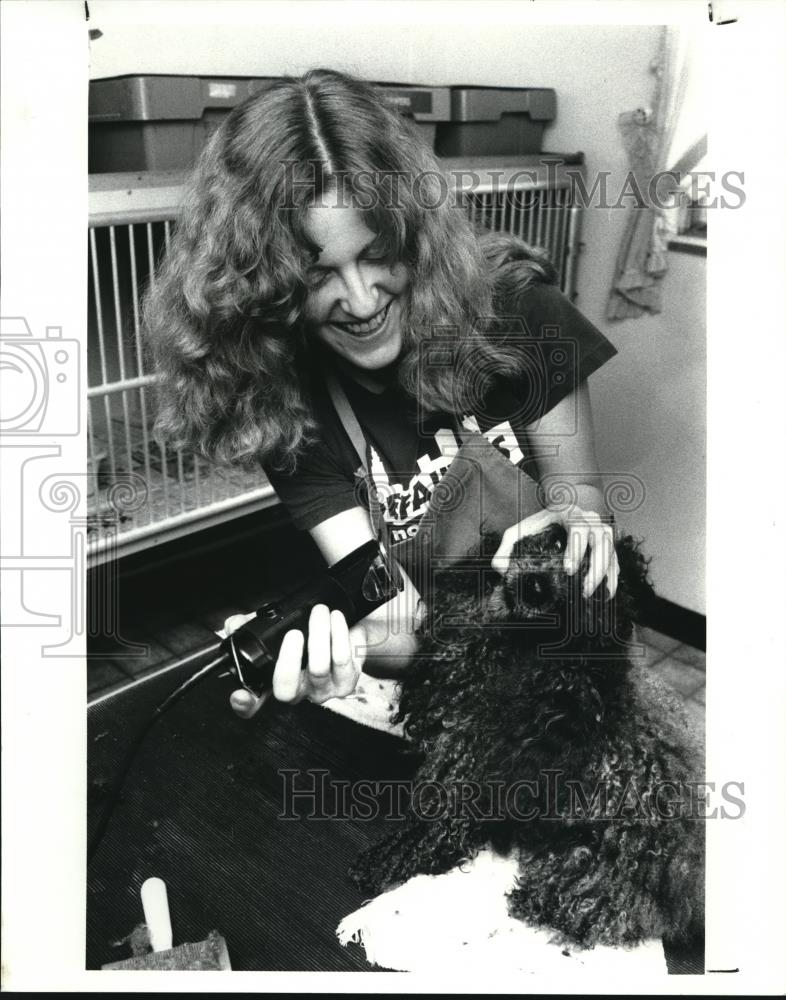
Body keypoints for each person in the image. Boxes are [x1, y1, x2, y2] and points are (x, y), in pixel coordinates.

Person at [145, 68, 619, 720]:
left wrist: (579, 524)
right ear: (269, 285)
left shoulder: (522, 315)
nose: (363, 301)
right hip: (446, 677)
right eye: (318, 275)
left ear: (413, 235)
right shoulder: (287, 407)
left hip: (565, 660)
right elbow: (402, 618)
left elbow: (583, 496)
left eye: (377, 255)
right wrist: (345, 648)